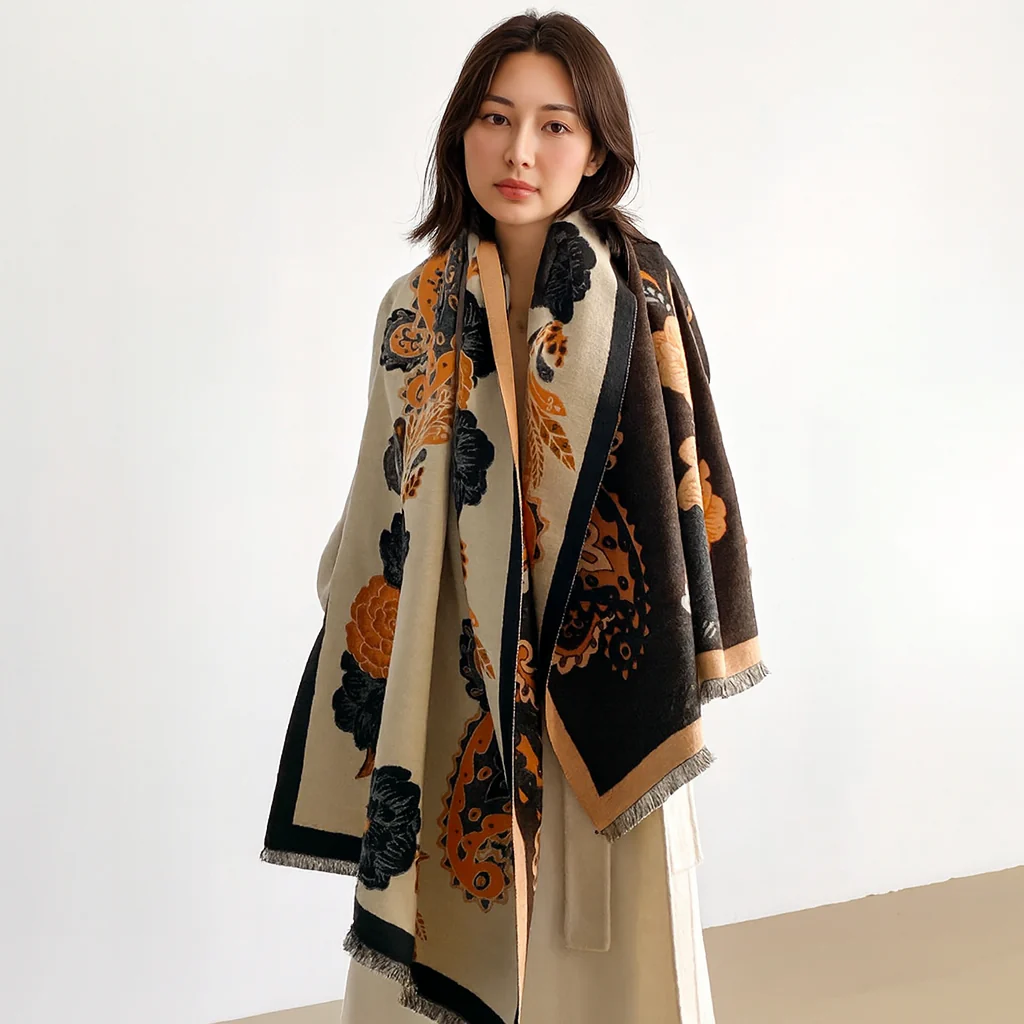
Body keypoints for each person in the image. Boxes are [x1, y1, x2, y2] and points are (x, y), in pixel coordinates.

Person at [261, 10, 768, 1024]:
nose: (519, 151)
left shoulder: (641, 292)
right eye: (495, 118)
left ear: (598, 149)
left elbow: (688, 475)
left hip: (608, 671)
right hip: (452, 675)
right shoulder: (414, 307)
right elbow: (381, 497)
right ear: (461, 132)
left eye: (554, 125)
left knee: (628, 969)